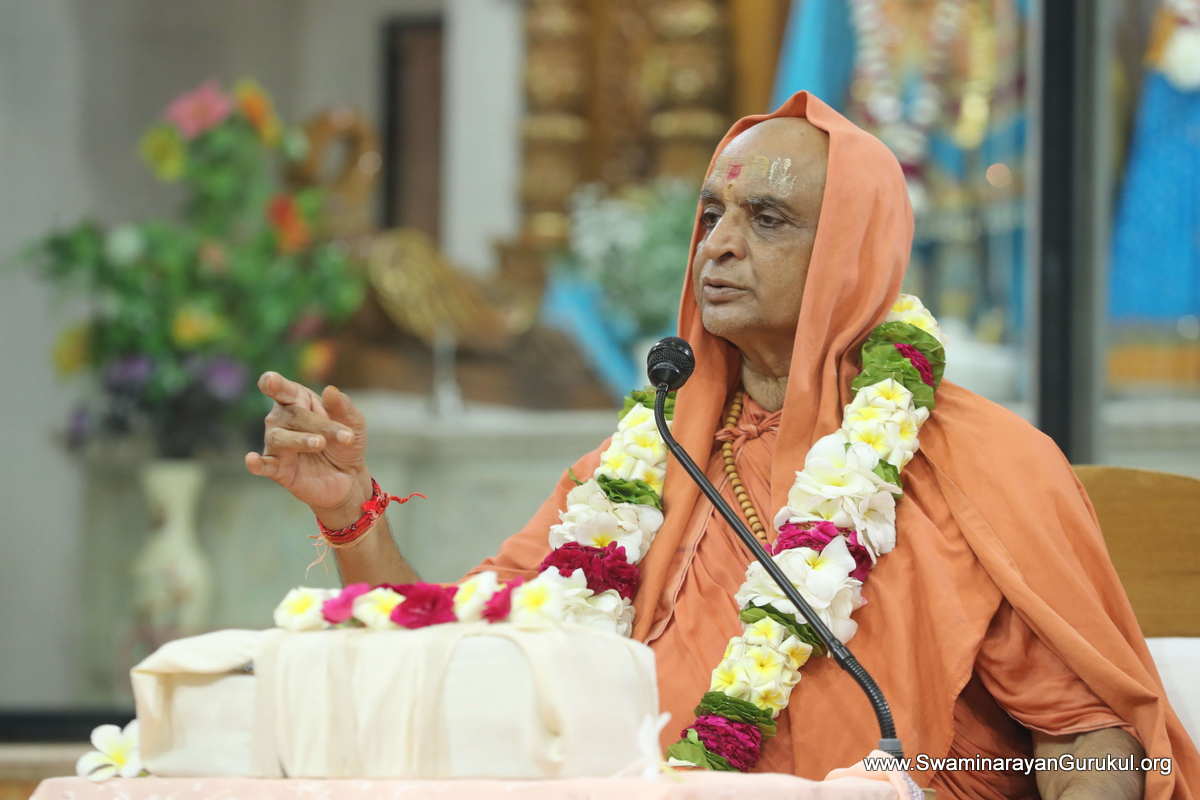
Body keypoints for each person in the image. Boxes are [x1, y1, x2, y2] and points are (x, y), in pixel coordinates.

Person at [245, 92, 1198, 798]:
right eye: (711, 215)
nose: (717, 246)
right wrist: (352, 513)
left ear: (851, 250)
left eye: (765, 218)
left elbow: (1088, 738)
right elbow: (470, 647)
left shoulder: (981, 465)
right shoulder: (643, 459)